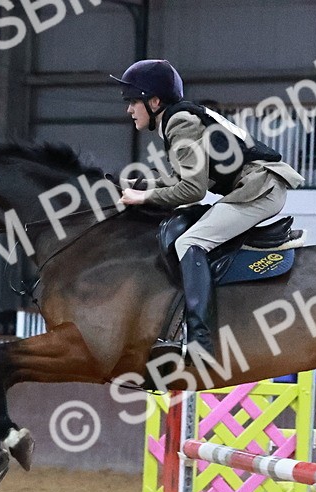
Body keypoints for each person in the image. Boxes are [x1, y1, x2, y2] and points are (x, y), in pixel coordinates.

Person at [110, 59, 304, 362]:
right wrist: (136, 185)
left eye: (133, 101)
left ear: (154, 101)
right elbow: (180, 178)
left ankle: (200, 342)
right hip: (258, 185)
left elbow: (192, 191)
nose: (129, 110)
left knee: (189, 242)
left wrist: (144, 197)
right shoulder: (180, 117)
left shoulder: (180, 124)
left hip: (259, 190)